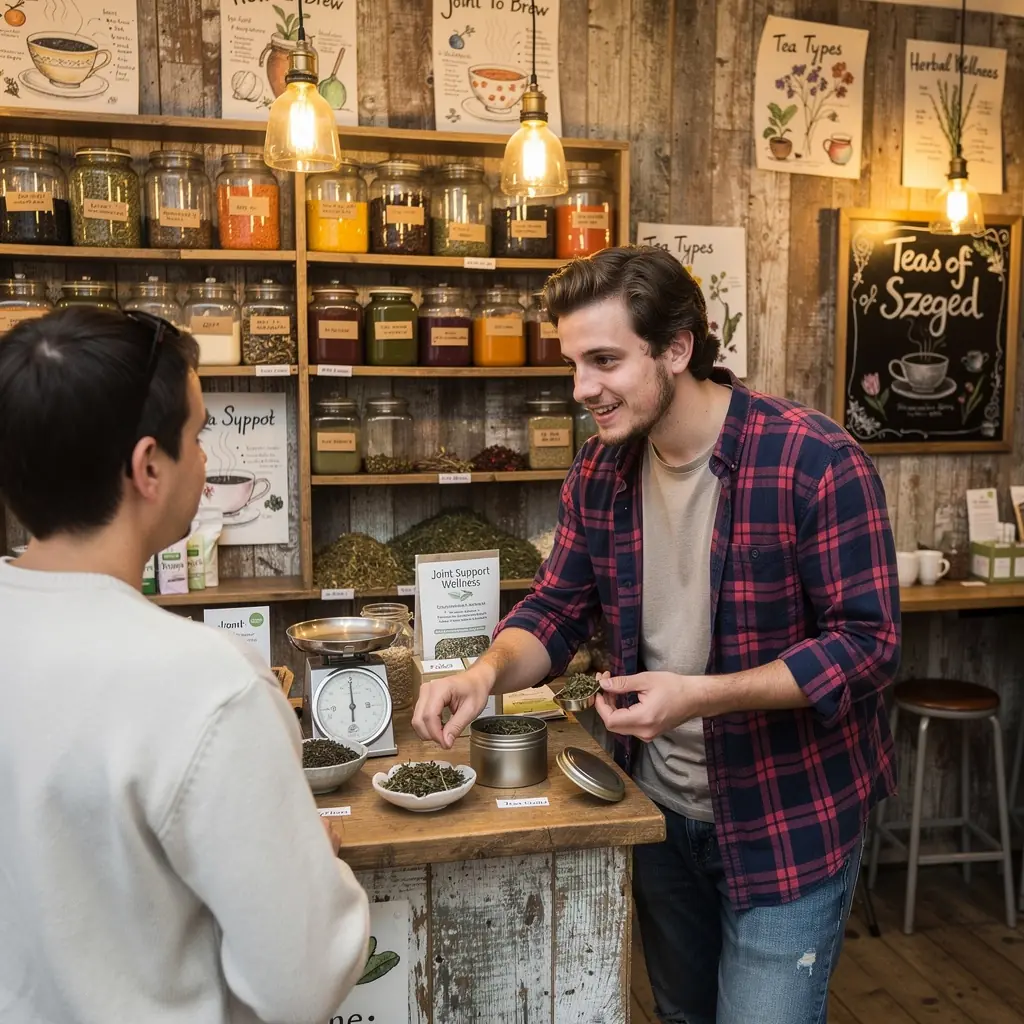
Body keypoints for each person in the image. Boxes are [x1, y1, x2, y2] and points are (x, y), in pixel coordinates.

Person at [413, 246, 901, 1024]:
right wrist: (483, 675)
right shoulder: (601, 473)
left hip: (788, 823)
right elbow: (556, 609)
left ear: (678, 347)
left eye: (604, 360)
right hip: (659, 815)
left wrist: (702, 697)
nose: (583, 390)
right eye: (574, 364)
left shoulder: (814, 460)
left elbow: (867, 647)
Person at [0, 307, 370, 1024]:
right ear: (148, 467)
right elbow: (303, 981)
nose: (204, 459)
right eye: (198, 435)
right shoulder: (209, 683)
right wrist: (307, 866)